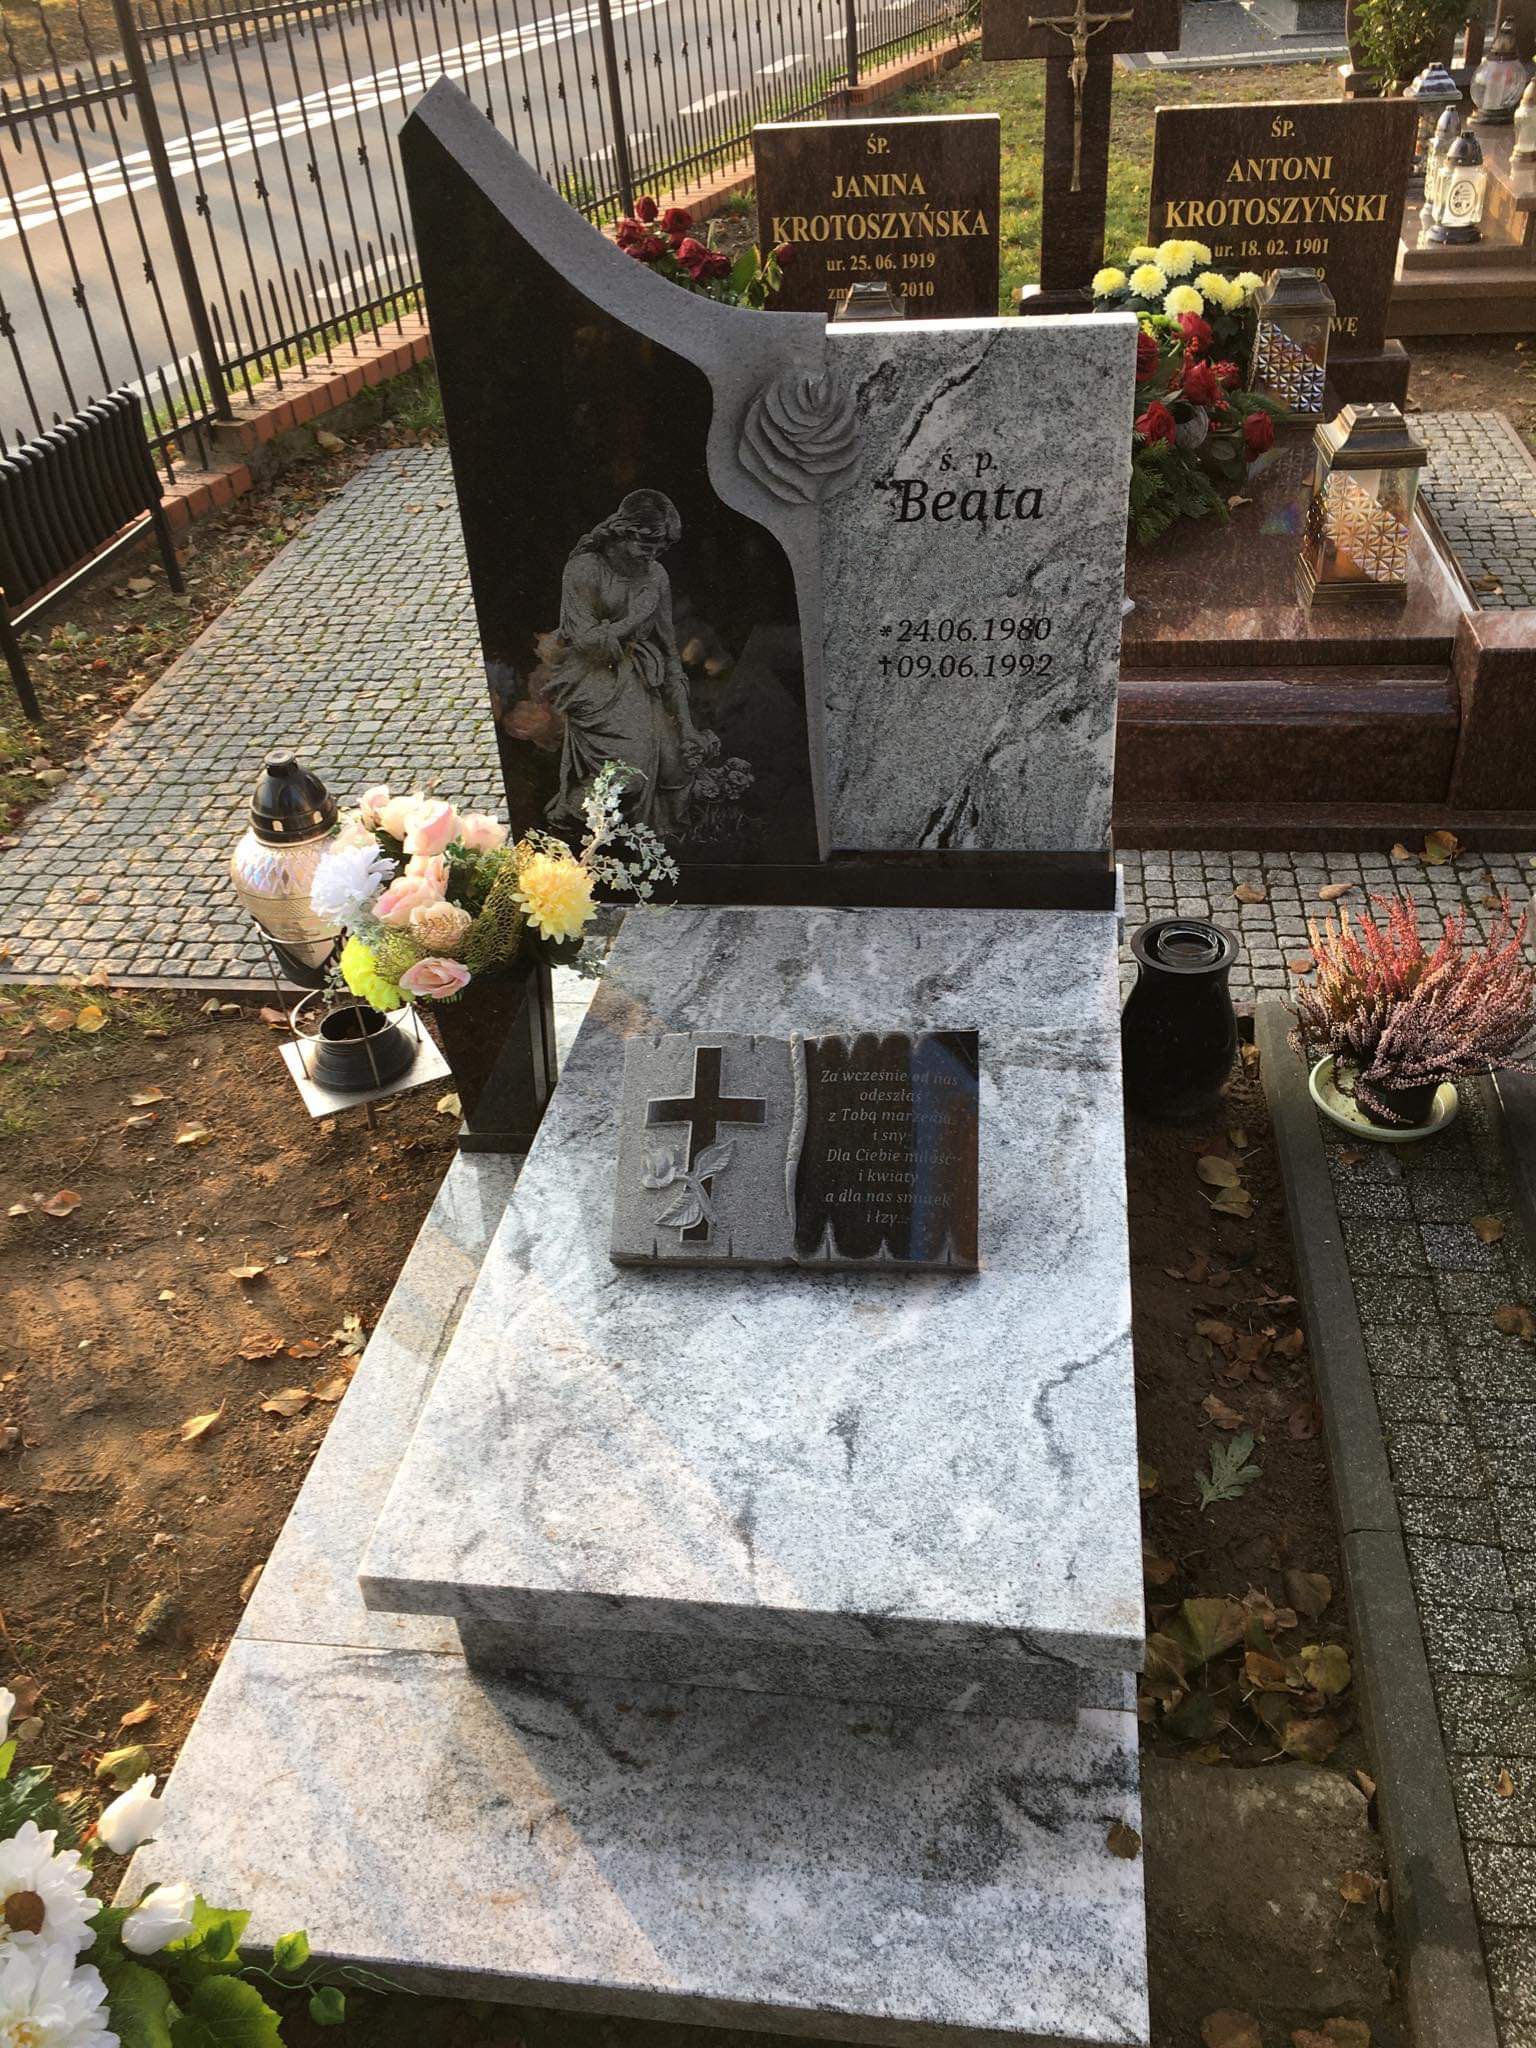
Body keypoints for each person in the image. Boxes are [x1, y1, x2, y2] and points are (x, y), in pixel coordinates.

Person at [542, 489, 712, 838]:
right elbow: (588, 643)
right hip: (594, 681)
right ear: (624, 531)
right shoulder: (585, 569)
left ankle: (649, 847)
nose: (653, 555)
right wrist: (634, 618)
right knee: (629, 780)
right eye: (648, 544)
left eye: (661, 548)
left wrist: (687, 726)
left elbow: (669, 651)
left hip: (642, 678)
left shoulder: (656, 575)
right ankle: (566, 818)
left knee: (678, 771)